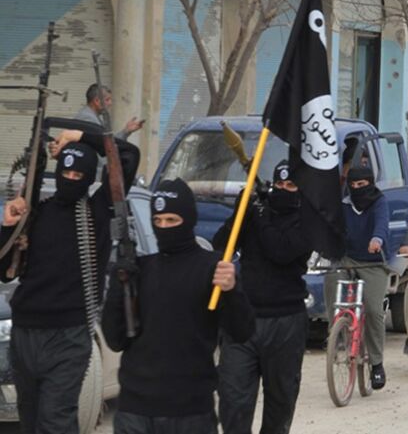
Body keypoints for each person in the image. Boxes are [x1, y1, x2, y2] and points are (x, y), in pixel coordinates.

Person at [0, 129, 138, 433]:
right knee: (30, 420)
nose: (71, 178)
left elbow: (127, 156)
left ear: (90, 179)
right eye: (66, 171)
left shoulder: (97, 212)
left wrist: (80, 135)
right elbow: (5, 271)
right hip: (25, 333)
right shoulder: (39, 212)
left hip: (68, 336)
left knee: (55, 422)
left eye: (79, 174)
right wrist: (9, 228)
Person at [102, 178, 255, 433]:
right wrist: (119, 287)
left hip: (190, 413)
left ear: (190, 219)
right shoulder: (140, 269)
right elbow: (115, 339)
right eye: (158, 221)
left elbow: (242, 332)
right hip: (135, 411)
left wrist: (232, 292)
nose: (164, 227)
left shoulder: (213, 268)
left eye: (172, 220)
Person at [212, 161, 313, 433]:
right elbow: (220, 245)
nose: (283, 190)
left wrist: (258, 214)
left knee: (279, 406)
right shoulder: (257, 211)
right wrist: (241, 211)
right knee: (232, 402)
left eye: (290, 185)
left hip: (286, 322)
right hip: (244, 320)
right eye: (278, 184)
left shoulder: (307, 220)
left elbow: (280, 250)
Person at [326, 165, 391, 390]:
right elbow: (332, 226)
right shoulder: (343, 204)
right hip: (346, 259)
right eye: (353, 185)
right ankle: (335, 338)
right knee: (331, 285)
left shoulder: (379, 202)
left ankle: (376, 363)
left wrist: (377, 239)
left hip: (373, 261)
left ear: (370, 183)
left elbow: (382, 224)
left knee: (373, 310)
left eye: (361, 185)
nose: (356, 189)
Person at [75, 83, 145, 140]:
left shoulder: (92, 116)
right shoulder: (88, 119)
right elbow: (103, 146)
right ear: (96, 101)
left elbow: (108, 143)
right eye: (107, 100)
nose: (110, 103)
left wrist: (126, 131)